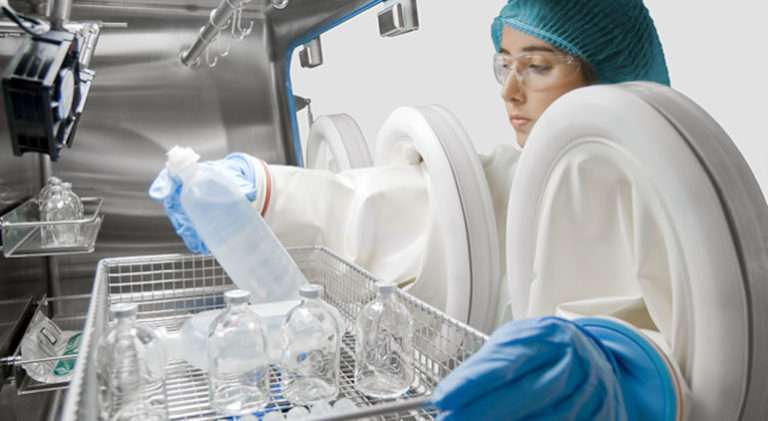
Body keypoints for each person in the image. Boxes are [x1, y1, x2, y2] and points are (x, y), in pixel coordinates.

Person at [151, 0, 684, 419]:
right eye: (503, 65)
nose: (510, 92)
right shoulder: (519, 173)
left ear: (608, 71)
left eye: (537, 67)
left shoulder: (675, 196)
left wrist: (634, 379)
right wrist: (262, 194)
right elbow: (395, 209)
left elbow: (723, 347)